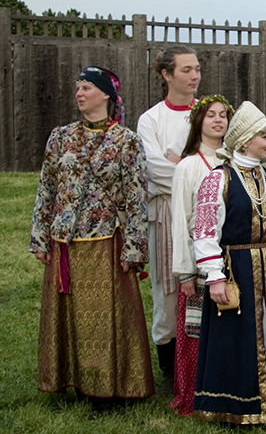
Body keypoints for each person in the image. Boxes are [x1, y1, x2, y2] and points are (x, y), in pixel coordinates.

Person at [30, 66, 154, 404]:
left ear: (106, 96)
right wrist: (40, 237)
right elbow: (47, 188)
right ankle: (69, 380)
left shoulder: (126, 140)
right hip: (65, 242)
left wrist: (134, 249)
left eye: (86, 87)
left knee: (102, 319)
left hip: (104, 241)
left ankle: (106, 385)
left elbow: (135, 196)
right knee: (68, 316)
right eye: (78, 87)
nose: (79, 93)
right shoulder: (60, 137)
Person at [192, 101, 266, 424]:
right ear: (244, 140)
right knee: (237, 336)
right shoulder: (219, 179)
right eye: (264, 137)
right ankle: (236, 405)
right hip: (236, 268)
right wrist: (214, 276)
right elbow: (205, 231)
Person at [136, 45, 201, 395]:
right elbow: (152, 167)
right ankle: (169, 372)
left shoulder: (208, 113)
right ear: (166, 75)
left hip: (205, 211)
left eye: (197, 69)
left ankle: (201, 365)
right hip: (164, 213)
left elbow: (221, 158)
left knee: (205, 284)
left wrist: (185, 163)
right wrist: (191, 165)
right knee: (168, 288)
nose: (194, 76)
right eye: (186, 70)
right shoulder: (151, 119)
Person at [169, 94, 234, 416]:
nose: (218, 120)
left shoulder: (234, 162)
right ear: (199, 121)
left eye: (223, 115)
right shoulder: (189, 166)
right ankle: (193, 394)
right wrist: (185, 272)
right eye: (211, 115)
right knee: (196, 329)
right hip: (198, 262)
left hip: (231, 258)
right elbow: (180, 221)